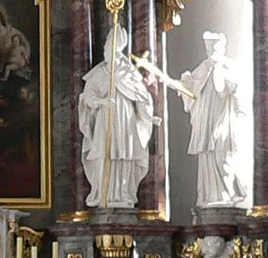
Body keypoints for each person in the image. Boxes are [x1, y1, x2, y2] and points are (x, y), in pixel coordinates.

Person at [78, 27, 159, 208]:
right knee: (104, 154)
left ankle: (123, 193)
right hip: (104, 118)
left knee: (124, 154)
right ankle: (103, 192)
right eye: (108, 46)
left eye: (113, 48)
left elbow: (142, 98)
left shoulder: (129, 73)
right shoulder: (98, 73)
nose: (109, 50)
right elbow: (88, 96)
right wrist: (100, 101)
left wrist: (148, 117)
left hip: (125, 119)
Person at [179, 31, 247, 207]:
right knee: (207, 156)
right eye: (209, 49)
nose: (211, 52)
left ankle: (228, 194)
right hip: (205, 121)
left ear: (221, 49)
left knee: (222, 155)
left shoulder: (229, 66)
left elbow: (236, 89)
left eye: (215, 48)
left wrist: (240, 112)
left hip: (222, 118)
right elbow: (192, 87)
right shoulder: (203, 67)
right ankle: (209, 196)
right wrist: (185, 81)